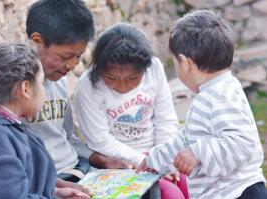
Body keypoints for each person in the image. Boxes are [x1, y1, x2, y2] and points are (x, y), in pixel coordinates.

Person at [136, 10, 267, 199]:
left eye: (176, 63)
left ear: (185, 62)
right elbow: (188, 139)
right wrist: (155, 158)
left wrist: (198, 152)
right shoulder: (213, 92)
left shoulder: (220, 96)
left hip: (238, 192)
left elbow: (243, 145)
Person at [0, 43, 90, 199]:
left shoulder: (3, 128)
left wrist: (54, 192)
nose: (44, 90)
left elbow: (20, 184)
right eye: (41, 83)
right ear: (25, 88)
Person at [74, 23, 188, 199]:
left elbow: (165, 119)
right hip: (120, 163)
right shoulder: (88, 86)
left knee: (191, 185)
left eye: (133, 78)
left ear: (145, 68)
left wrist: (165, 158)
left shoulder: (154, 68)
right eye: (111, 78)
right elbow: (100, 140)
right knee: (172, 195)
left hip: (157, 152)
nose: (122, 85)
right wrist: (145, 162)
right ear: (99, 68)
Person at [24, 0, 132, 187]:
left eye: (78, 57)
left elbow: (67, 137)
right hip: (49, 180)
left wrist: (100, 159)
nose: (73, 65)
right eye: (65, 57)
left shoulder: (60, 83)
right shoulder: (15, 88)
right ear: (37, 42)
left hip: (77, 168)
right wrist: (57, 186)